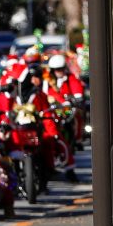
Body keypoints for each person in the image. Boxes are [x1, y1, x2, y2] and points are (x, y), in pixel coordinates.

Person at [44, 53, 83, 182]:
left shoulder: (70, 78)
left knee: (70, 126)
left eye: (60, 69)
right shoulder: (47, 81)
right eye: (56, 69)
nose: (58, 72)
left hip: (65, 112)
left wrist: (76, 98)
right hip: (50, 113)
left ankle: (70, 166)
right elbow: (44, 94)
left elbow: (77, 89)